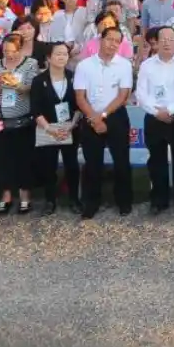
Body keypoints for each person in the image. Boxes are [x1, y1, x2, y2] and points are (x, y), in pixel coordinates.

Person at [72, 24, 134, 218]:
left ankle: (124, 201)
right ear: (100, 39)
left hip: (115, 116)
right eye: (109, 39)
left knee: (122, 161)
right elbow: (80, 96)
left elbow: (123, 95)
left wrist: (103, 116)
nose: (113, 44)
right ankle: (91, 203)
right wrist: (93, 118)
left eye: (117, 41)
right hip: (90, 116)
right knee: (92, 163)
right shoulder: (84, 65)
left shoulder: (124, 65)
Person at [135, 25, 174, 215]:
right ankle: (158, 200)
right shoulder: (147, 65)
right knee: (156, 159)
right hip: (153, 117)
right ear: (155, 43)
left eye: (171, 39)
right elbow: (141, 93)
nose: (167, 43)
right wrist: (156, 111)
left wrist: (171, 110)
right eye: (163, 40)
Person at [0, 32, 39, 214]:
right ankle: (5, 195)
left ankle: (24, 195)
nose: (9, 55)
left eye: (13, 51)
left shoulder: (30, 64)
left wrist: (16, 85)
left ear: (20, 49)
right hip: (1, 118)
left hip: (22, 118)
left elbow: (32, 89)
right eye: (6, 50)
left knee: (23, 157)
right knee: (1, 158)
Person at [30, 41, 79, 214]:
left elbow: (79, 104)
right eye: (57, 54)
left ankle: (74, 199)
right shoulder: (38, 80)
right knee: (48, 166)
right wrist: (49, 128)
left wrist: (72, 125)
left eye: (65, 54)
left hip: (69, 127)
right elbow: (35, 109)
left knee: (72, 165)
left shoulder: (73, 77)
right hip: (47, 127)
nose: (61, 57)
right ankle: (50, 200)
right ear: (49, 57)